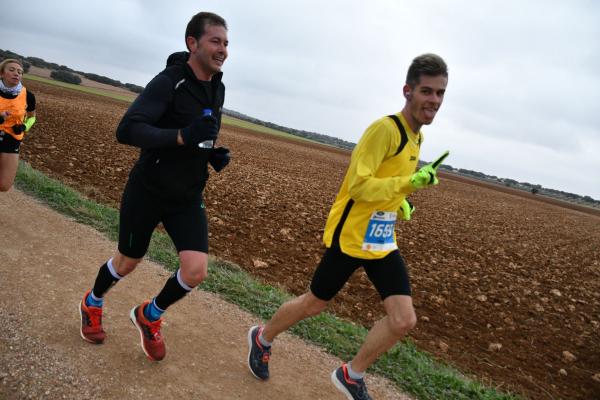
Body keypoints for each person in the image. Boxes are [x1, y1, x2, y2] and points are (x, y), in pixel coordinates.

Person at [247, 53, 449, 399]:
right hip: (351, 235)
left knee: (403, 321)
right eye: (427, 92)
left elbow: (389, 181)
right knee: (314, 303)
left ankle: (351, 374)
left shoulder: (417, 138)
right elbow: (359, 186)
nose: (434, 100)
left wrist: (401, 201)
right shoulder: (384, 130)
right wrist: (408, 185)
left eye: (440, 93)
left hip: (381, 240)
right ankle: (262, 337)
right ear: (408, 91)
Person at [78, 11, 231, 362]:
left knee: (196, 271)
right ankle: (93, 301)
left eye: (225, 43)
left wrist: (211, 154)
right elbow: (128, 129)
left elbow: (200, 132)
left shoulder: (217, 86)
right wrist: (182, 136)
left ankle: (150, 314)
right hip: (148, 189)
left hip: (187, 194)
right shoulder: (169, 81)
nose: (222, 49)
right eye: (215, 41)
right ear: (192, 43)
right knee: (128, 261)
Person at [0, 58, 37, 192]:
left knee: (4, 185)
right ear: (2, 73)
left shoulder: (28, 96)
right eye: (12, 70)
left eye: (20, 72)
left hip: (12, 139)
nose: (17, 73)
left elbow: (32, 118)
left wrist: (24, 127)